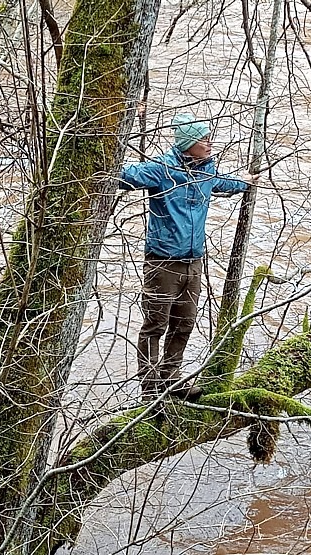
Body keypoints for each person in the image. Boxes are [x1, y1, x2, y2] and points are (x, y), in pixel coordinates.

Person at [119, 113, 257, 402]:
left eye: (208, 138)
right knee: (155, 325)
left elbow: (222, 183)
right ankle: (149, 389)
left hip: (194, 261)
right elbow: (124, 176)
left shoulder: (207, 171)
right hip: (162, 263)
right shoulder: (162, 170)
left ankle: (171, 380)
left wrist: (244, 181)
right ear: (188, 143)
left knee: (184, 324)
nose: (209, 144)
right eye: (203, 139)